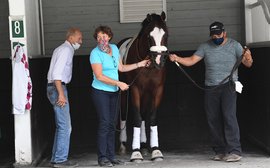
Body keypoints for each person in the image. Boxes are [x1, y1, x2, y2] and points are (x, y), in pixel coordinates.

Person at [169, 21, 253, 162]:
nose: (215, 37)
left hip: (229, 86)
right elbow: (191, 60)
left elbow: (248, 64)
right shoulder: (205, 46)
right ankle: (219, 150)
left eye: (218, 34)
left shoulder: (235, 45)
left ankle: (234, 150)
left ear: (224, 33)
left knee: (229, 116)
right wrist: (177, 58)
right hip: (210, 87)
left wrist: (248, 57)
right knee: (212, 119)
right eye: (213, 35)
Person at [89, 25, 149, 167]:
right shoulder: (95, 53)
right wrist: (119, 83)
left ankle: (111, 156)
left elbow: (121, 68)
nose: (101, 39)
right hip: (100, 92)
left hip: (114, 92)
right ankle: (102, 158)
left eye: (104, 36)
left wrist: (140, 64)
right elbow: (99, 76)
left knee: (111, 125)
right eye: (98, 37)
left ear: (109, 37)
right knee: (104, 124)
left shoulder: (115, 49)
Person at [47, 28, 82, 168]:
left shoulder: (61, 49)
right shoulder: (66, 50)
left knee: (61, 125)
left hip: (54, 88)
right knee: (65, 126)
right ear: (71, 38)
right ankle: (61, 160)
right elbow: (57, 74)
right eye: (79, 38)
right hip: (58, 88)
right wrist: (61, 93)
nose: (81, 41)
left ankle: (56, 158)